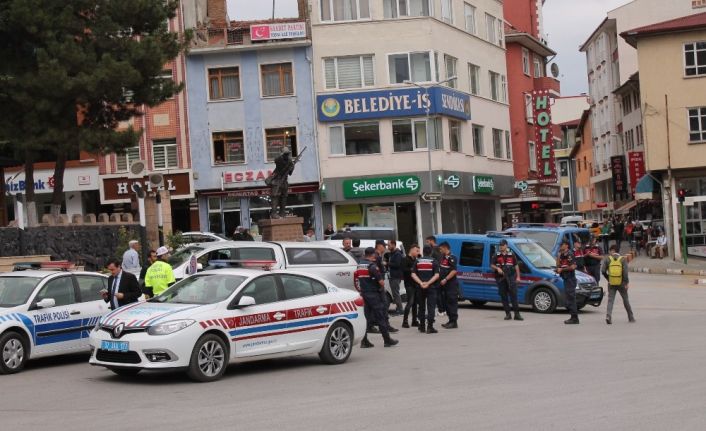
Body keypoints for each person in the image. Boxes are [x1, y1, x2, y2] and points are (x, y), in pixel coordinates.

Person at [356, 248, 398, 348]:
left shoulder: (359, 265)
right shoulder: (372, 266)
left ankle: (364, 341)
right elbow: (381, 281)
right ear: (372, 255)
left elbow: (357, 279)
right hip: (374, 294)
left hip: (364, 294)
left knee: (366, 318)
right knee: (380, 317)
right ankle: (387, 340)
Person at [601, 245, 635, 324]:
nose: (609, 252)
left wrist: (608, 278)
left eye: (610, 251)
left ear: (612, 250)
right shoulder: (622, 259)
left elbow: (603, 271)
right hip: (622, 283)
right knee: (625, 299)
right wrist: (626, 282)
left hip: (611, 282)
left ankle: (608, 316)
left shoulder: (608, 259)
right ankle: (631, 317)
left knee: (610, 300)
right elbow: (625, 273)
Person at [490, 239, 523, 321]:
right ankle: (508, 314)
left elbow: (516, 266)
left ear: (506, 245)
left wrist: (518, 277)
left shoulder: (511, 255)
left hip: (511, 277)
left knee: (514, 296)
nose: (501, 247)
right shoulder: (496, 255)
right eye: (500, 245)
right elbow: (491, 265)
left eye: (502, 245)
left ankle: (517, 314)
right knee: (504, 296)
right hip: (501, 278)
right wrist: (497, 268)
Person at [411, 245, 441, 334]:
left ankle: (422, 326)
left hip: (420, 288)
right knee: (431, 307)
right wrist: (428, 283)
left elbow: (413, 274)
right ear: (431, 252)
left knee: (421, 307)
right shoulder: (434, 261)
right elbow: (437, 275)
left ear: (423, 252)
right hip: (431, 287)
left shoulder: (417, 261)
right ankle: (430, 327)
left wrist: (421, 283)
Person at [268, 147, 296, 218]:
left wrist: (292, 167)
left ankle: (282, 212)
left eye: (288, 154)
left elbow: (290, 173)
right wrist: (282, 154)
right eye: (286, 154)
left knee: (284, 197)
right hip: (276, 180)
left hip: (284, 181)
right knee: (275, 197)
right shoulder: (279, 160)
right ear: (283, 154)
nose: (287, 155)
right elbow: (276, 160)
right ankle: (274, 213)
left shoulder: (289, 161)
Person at [438, 241, 460, 328]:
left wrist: (446, 279)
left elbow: (454, 271)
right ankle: (450, 320)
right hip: (444, 285)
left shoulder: (452, 257)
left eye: (440, 249)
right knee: (446, 303)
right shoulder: (443, 257)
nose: (440, 250)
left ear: (445, 248)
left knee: (452, 302)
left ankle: (454, 322)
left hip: (451, 284)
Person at [556, 241, 579, 324]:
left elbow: (573, 267)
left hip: (570, 278)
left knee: (571, 298)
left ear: (566, 245)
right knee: (569, 298)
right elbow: (558, 266)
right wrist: (558, 256)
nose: (560, 246)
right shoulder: (562, 255)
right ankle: (573, 316)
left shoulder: (570, 254)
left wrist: (562, 270)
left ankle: (574, 318)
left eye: (561, 245)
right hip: (565, 278)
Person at [425, 235, 445, 316]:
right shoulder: (439, 249)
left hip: (437, 273)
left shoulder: (435, 249)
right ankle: (442, 309)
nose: (427, 243)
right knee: (440, 292)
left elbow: (438, 261)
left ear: (431, 241)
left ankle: (441, 310)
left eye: (427, 241)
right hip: (439, 272)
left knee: (437, 292)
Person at [401, 244, 420, 328]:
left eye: (418, 251)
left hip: (416, 284)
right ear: (412, 250)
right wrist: (413, 269)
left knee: (415, 303)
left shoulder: (415, 260)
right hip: (409, 284)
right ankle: (405, 321)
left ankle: (414, 320)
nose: (418, 252)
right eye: (416, 250)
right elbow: (404, 270)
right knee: (410, 302)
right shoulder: (405, 259)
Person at [387, 240, 404, 316]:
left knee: (396, 293)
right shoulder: (392, 253)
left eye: (389, 245)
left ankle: (400, 309)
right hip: (392, 276)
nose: (388, 247)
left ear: (394, 245)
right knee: (394, 293)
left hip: (396, 276)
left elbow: (397, 264)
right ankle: (398, 308)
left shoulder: (397, 254)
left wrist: (387, 263)